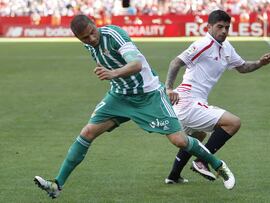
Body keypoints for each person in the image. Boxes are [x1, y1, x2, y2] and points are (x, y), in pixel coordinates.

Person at [33, 14, 236, 199]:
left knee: (179, 140)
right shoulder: (89, 44)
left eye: (92, 33)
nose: (92, 39)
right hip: (120, 97)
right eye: (85, 38)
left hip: (148, 95)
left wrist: (113, 74)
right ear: (79, 39)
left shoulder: (114, 34)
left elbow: (136, 64)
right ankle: (57, 185)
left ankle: (218, 166)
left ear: (96, 24)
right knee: (87, 133)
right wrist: (114, 79)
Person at [164, 10, 270, 184]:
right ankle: (202, 161)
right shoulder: (203, 44)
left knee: (197, 137)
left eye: (227, 27)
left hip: (193, 102)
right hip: (187, 101)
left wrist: (260, 63)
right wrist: (169, 89)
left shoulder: (227, 47)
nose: (224, 31)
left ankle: (173, 175)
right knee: (233, 122)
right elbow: (175, 62)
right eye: (219, 27)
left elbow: (243, 67)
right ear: (209, 27)